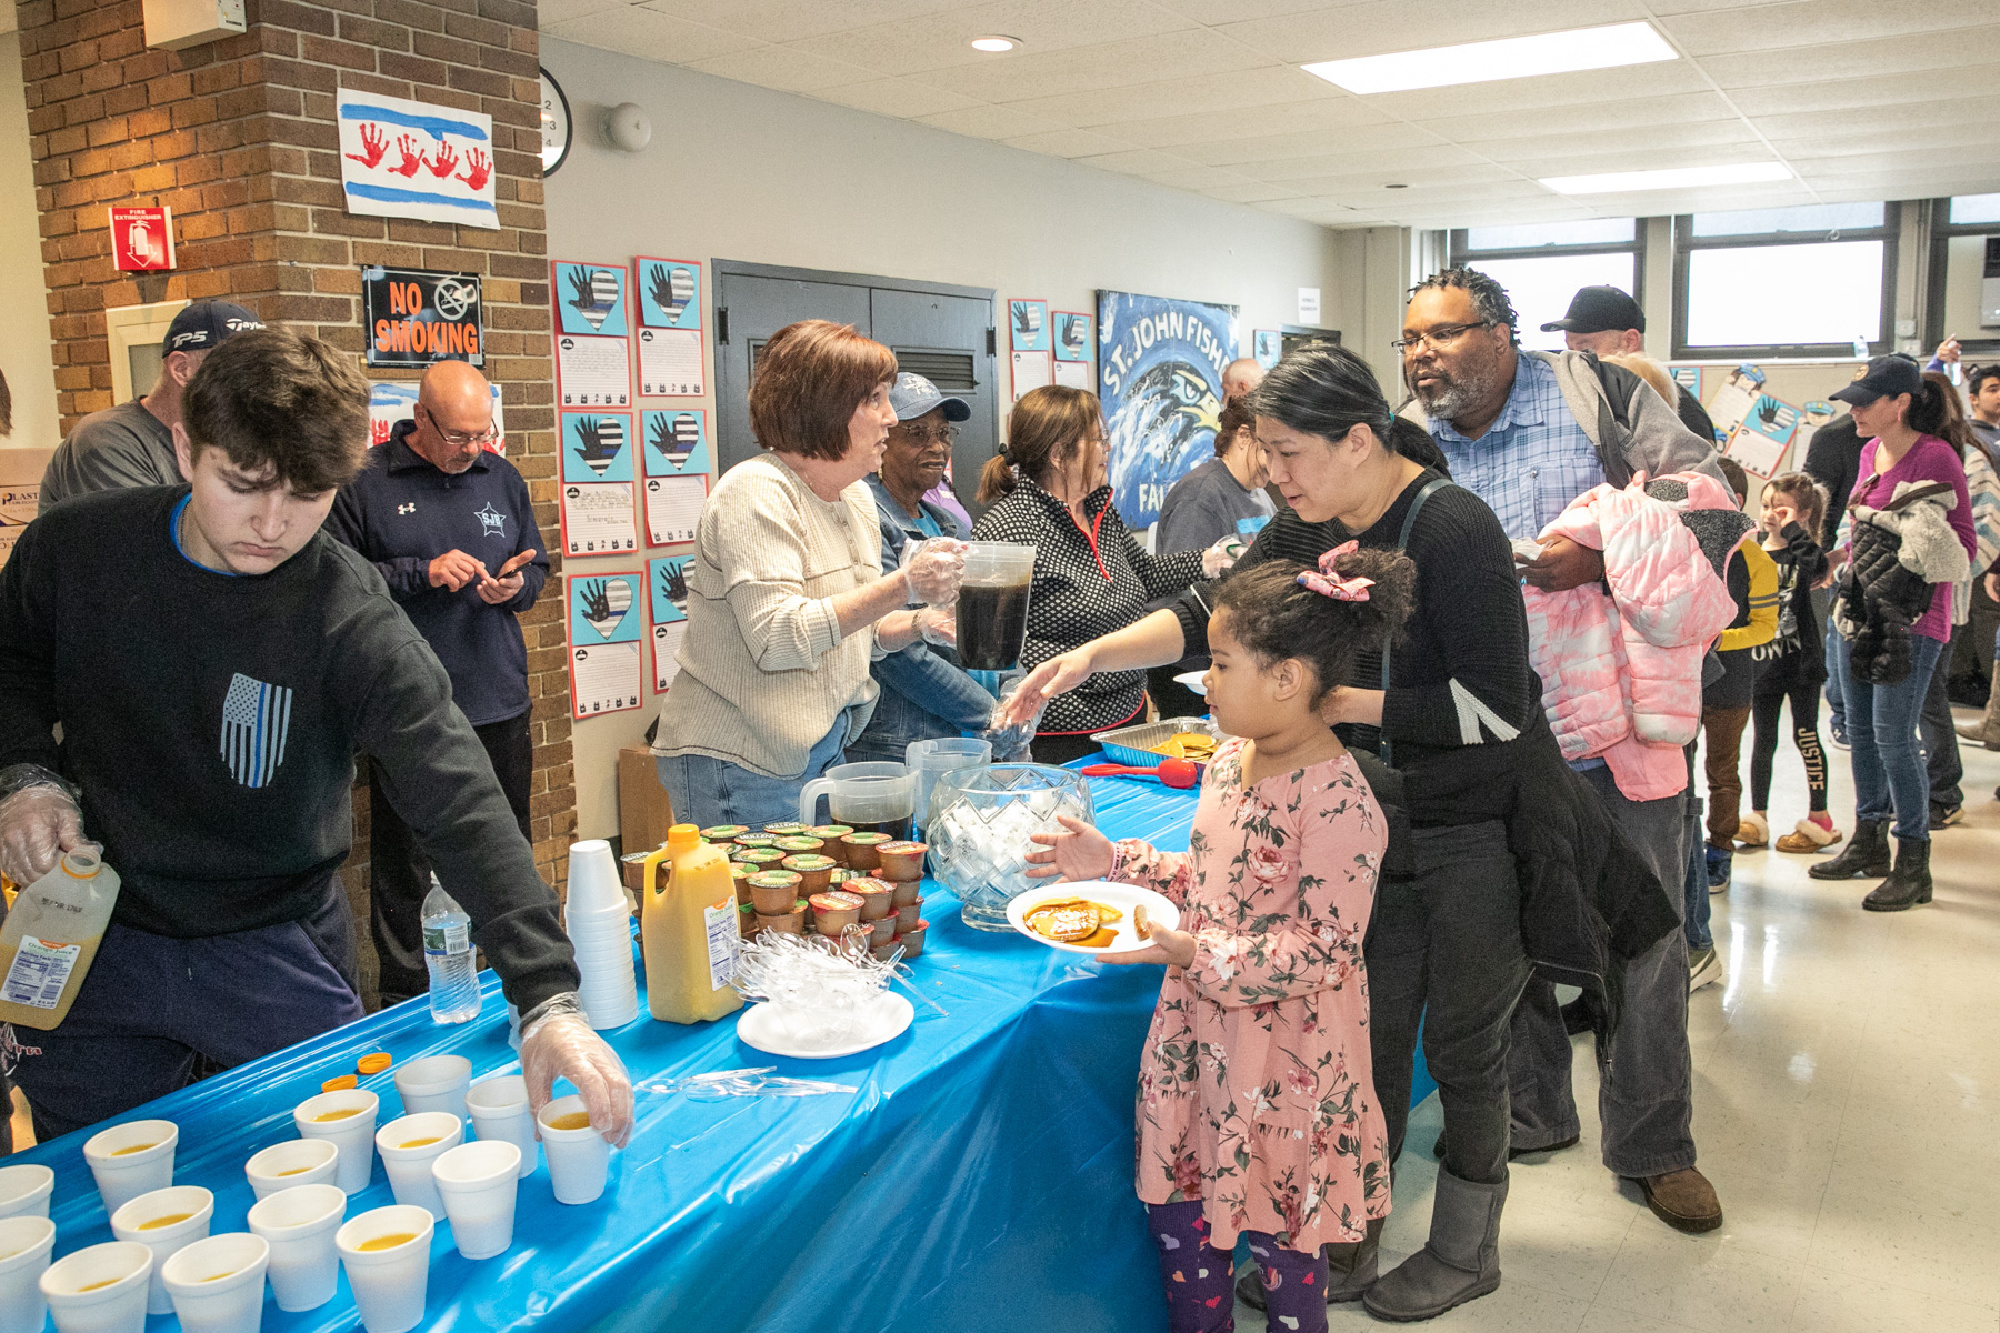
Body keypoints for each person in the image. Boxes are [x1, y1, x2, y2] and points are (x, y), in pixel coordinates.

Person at [996, 344, 1674, 1319]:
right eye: (1265, 451)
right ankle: (1340, 1235)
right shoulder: (1311, 517)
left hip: (1475, 819)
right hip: (1375, 807)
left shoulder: (1455, 527)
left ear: (1356, 440)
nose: (1273, 473)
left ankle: (1465, 1246)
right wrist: (1089, 655)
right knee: (1369, 1038)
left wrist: (1333, 702)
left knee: (1464, 1042)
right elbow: (1211, 609)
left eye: (1287, 452)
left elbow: (1494, 707)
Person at [0, 328, 631, 1144]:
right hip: (98, 932)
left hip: (274, 937)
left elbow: (455, 789)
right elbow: (11, 661)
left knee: (336, 1159)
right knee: (91, 1178)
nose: (271, 524)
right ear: (186, 446)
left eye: (307, 495)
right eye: (242, 485)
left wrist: (546, 997)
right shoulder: (77, 550)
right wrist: (25, 773)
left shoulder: (346, 611)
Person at [1399, 266, 1726, 1234]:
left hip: (1616, 721)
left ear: (1501, 333)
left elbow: (1714, 500)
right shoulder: (1406, 436)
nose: (1420, 355)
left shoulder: (1597, 394)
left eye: (1442, 333)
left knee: (1644, 936)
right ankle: (1532, 1112)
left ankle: (1655, 1146)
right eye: (1408, 339)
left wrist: (1599, 559)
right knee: (1500, 933)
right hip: (1487, 725)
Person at [1024, 547, 1413, 1333]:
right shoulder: (1229, 762)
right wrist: (1117, 861)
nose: (1204, 680)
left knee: (1283, 1246)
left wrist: (1194, 952)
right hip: (1196, 1044)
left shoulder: (1341, 803)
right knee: (1183, 1222)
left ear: (1287, 679)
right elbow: (1211, 878)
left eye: (1222, 664)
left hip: (1285, 1067)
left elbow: (1325, 948)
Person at [650, 321, 964, 828]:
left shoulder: (855, 496)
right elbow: (779, 637)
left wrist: (918, 623)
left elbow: (850, 632)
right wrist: (903, 584)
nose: (890, 417)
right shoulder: (755, 491)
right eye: (876, 399)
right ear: (825, 407)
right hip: (742, 762)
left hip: (821, 751)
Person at [323, 361, 549, 1006]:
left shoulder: (500, 477)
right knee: (407, 866)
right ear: (419, 418)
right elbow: (336, 583)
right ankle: (407, 999)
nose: (471, 449)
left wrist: (516, 586)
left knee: (505, 848)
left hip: (497, 695)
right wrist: (422, 572)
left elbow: (536, 567)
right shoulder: (365, 481)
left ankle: (513, 982)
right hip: (406, 707)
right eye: (457, 436)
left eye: (482, 434)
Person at [972, 386, 1216, 764]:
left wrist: (1211, 561)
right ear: (1058, 455)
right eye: (1098, 439)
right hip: (1056, 737)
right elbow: (988, 651)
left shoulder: (1100, 512)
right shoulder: (1006, 529)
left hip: (1127, 718)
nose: (1108, 448)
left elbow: (1143, 574)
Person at [1809, 355, 1975, 910]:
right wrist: (1832, 560)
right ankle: (1869, 841)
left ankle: (1913, 862)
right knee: (1858, 731)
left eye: (1865, 402)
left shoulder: (1936, 456)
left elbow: (1964, 546)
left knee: (1895, 738)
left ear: (1900, 402)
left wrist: (1906, 544)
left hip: (1913, 622)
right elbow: (1858, 533)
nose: (1854, 411)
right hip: (1856, 611)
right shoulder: (1867, 453)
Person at [848, 372, 992, 764]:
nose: (937, 447)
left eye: (943, 434)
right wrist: (988, 714)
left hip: (965, 736)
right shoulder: (866, 519)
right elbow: (896, 655)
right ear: (883, 439)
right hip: (900, 746)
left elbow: (987, 624)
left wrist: (1014, 691)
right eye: (917, 433)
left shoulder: (949, 524)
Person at [39, 301, 265, 513]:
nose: (255, 386)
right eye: (238, 371)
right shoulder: (106, 439)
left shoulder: (229, 438)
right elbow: (142, 537)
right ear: (182, 369)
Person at [1150, 398, 1277, 718]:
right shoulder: (1200, 495)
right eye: (1268, 449)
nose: (1275, 466)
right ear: (1244, 436)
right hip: (1192, 669)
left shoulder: (1261, 495)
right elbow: (1181, 588)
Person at [1741, 473, 1835, 854]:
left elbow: (1819, 567)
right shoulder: (1752, 552)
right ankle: (1757, 816)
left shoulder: (1802, 552)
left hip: (1801, 665)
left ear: (1803, 515)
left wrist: (1795, 530)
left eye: (1780, 509)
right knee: (1763, 740)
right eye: (1766, 506)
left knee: (1806, 734)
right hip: (1763, 664)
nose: (1769, 514)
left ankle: (1819, 815)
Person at [1697, 457, 1778, 895]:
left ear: (1736, 500)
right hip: (1683, 682)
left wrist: (1712, 639)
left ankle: (1720, 849)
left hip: (1730, 685)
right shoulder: (1685, 544)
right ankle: (1683, 845)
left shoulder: (1757, 559)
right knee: (1675, 770)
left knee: (1723, 774)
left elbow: (1765, 628)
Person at [1911, 370, 1984, 826]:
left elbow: (1983, 534)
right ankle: (1929, 786)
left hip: (1946, 600)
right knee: (1919, 698)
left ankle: (1943, 791)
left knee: (1929, 697)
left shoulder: (1966, 458)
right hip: (1911, 601)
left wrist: (1945, 572)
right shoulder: (1900, 453)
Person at [1543, 285, 1716, 444]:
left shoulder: (1682, 410)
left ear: (1630, 341)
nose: (1575, 360)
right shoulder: (1579, 401)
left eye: (1586, 349)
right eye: (1570, 350)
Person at [1952, 361, 2000, 753]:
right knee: (1988, 630)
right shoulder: (1972, 440)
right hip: (1987, 554)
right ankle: (1993, 719)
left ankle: (1994, 722)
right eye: (1993, 389)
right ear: (1972, 398)